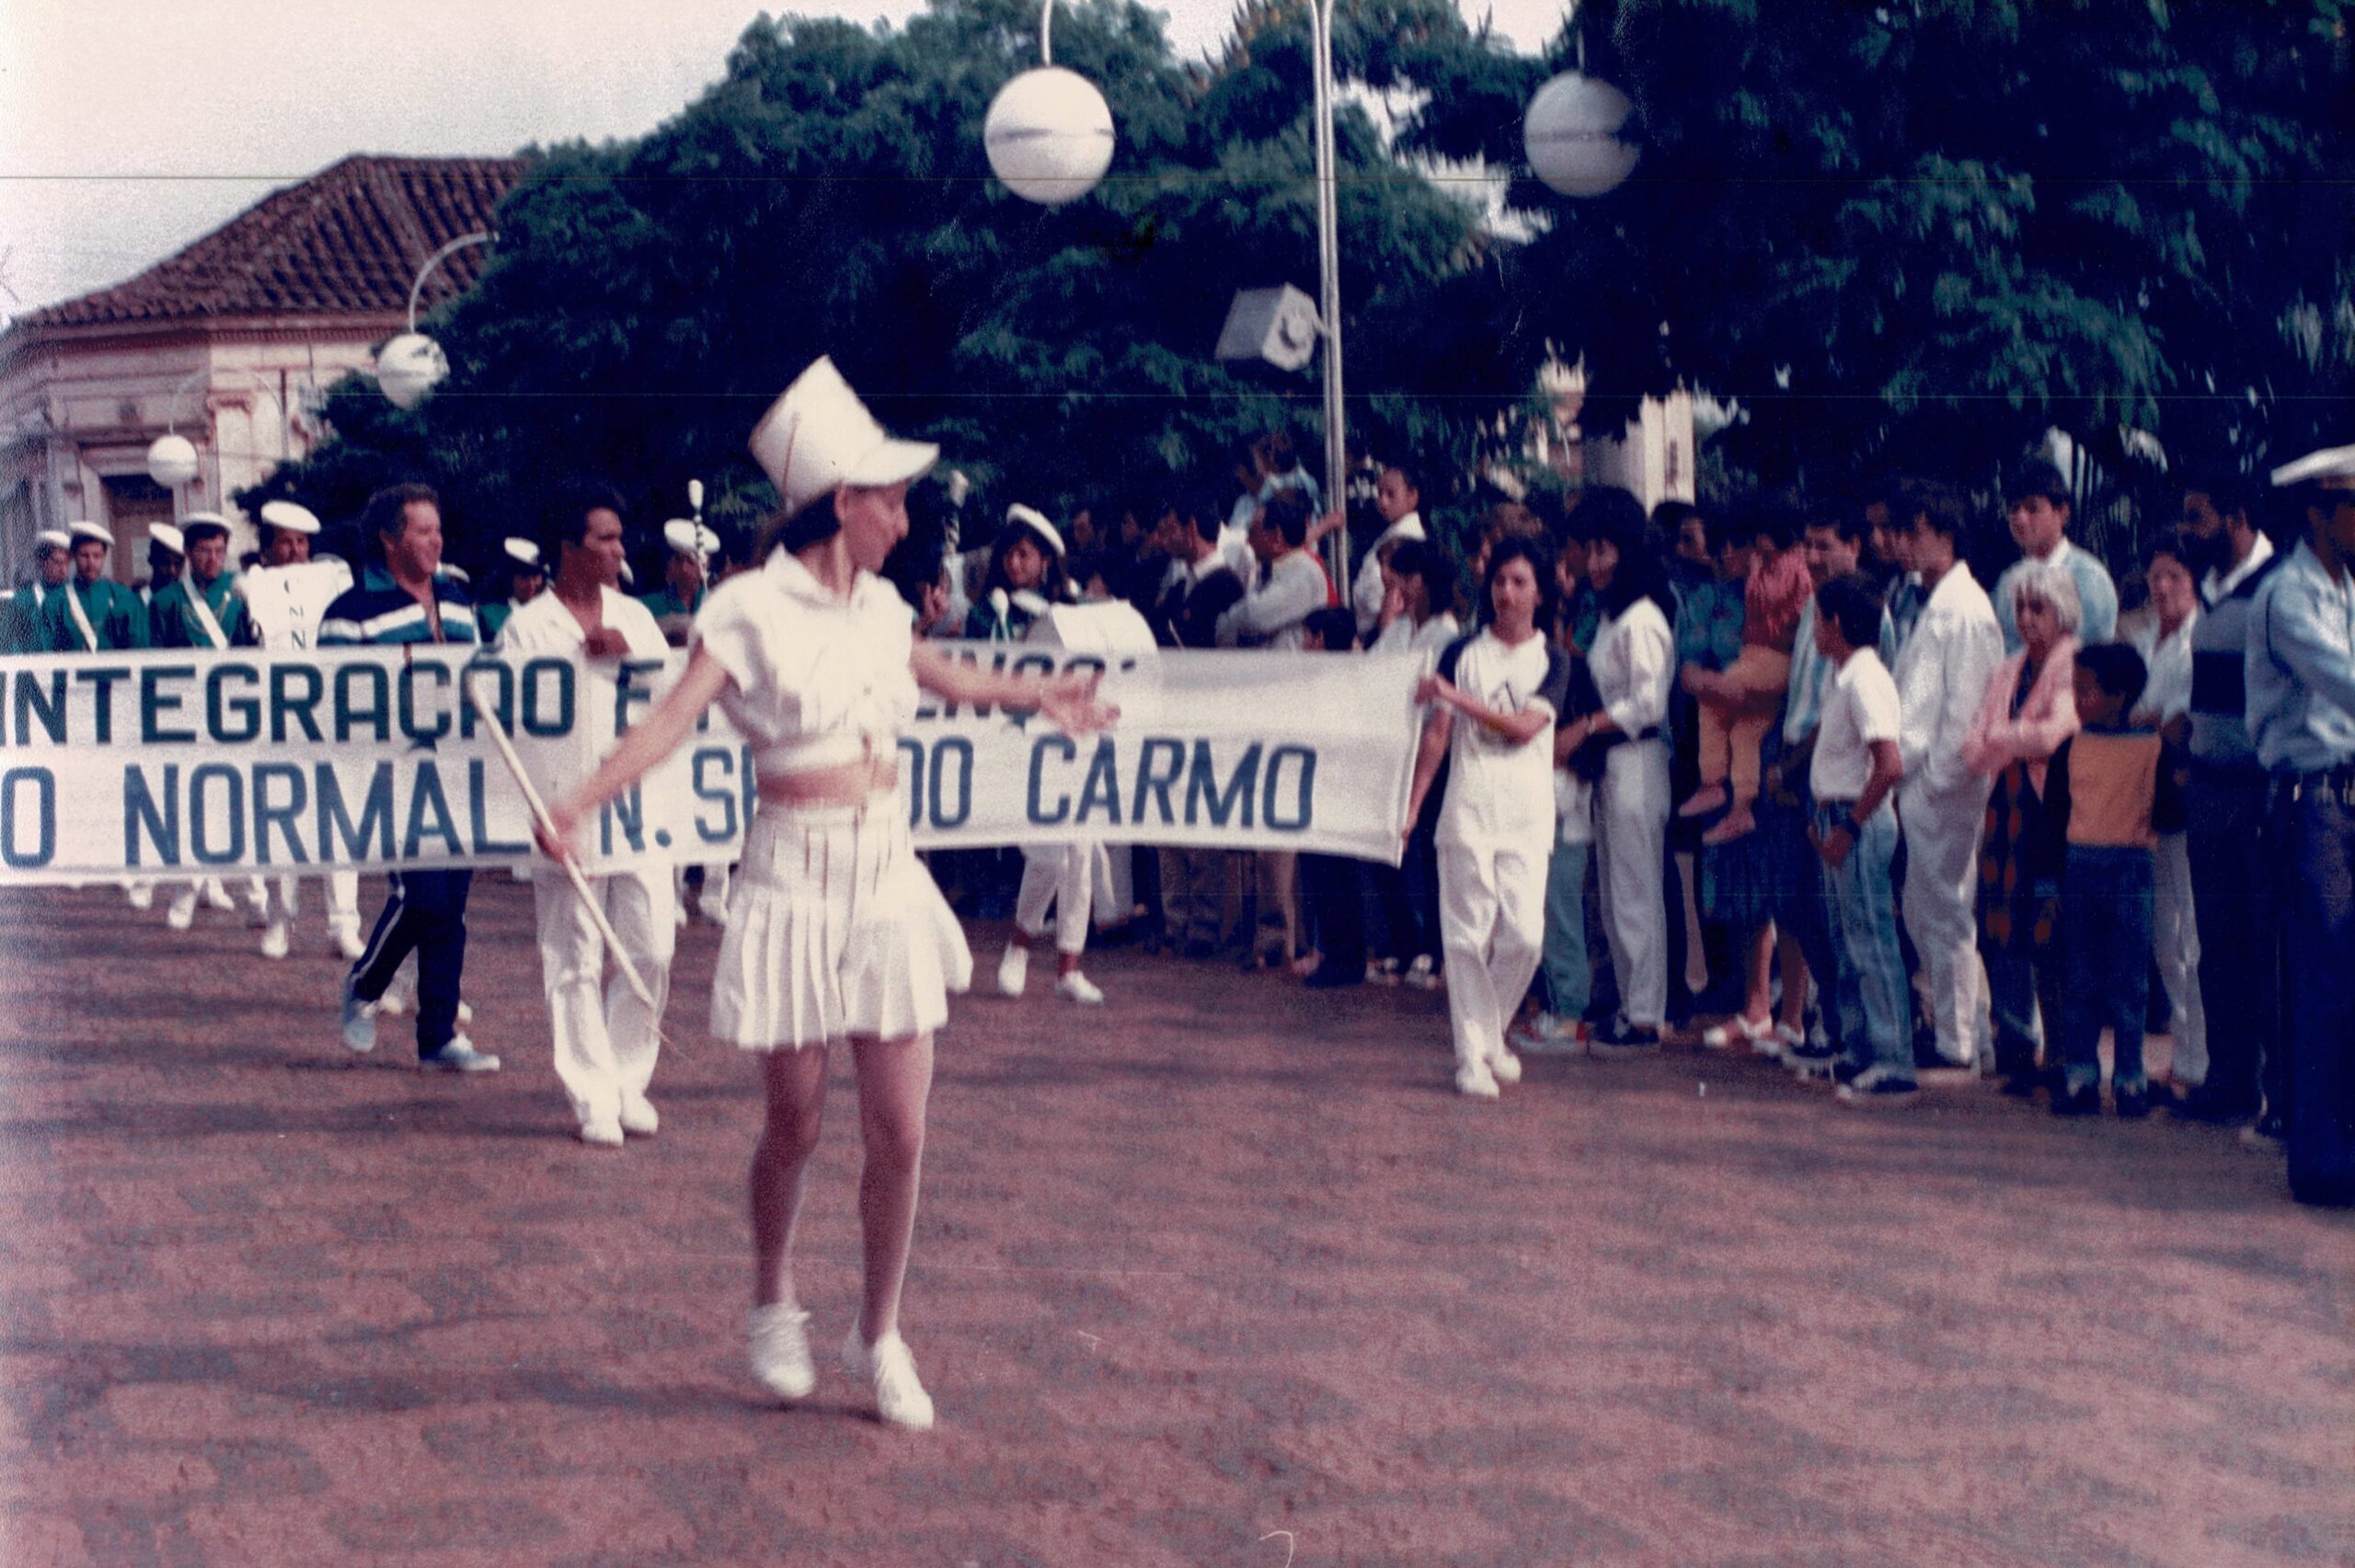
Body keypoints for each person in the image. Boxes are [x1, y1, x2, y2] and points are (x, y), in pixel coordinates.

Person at [539, 356, 1110, 1428]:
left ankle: (879, 1333)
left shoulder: (885, 608)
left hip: (886, 874)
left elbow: (950, 675)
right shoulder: (748, 607)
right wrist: (580, 800)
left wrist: (1041, 696)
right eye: (891, 501)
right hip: (791, 877)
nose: (905, 520)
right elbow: (670, 720)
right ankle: (772, 1299)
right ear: (842, 503)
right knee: (794, 1122)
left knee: (901, 1130)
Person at [500, 483, 677, 1146]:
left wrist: (628, 654)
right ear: (569, 547)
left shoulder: (636, 617)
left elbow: (675, 700)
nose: (618, 550)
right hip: (564, 814)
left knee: (651, 947)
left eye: (619, 538)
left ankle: (629, 1078)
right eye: (604, 538)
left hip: (639, 811)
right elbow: (508, 725)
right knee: (573, 955)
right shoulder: (527, 627)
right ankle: (592, 1093)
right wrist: (535, 814)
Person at [322, 483, 500, 1075]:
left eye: (438, 529)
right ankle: (365, 984)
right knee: (422, 898)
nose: (436, 540)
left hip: (457, 772)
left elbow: (482, 678)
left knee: (451, 906)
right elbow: (330, 700)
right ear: (389, 539)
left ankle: (438, 1036)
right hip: (392, 777)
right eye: (423, 530)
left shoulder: (457, 601)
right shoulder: (350, 614)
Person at [1405, 536, 1571, 1097]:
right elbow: (1437, 735)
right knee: (1466, 938)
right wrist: (1413, 806)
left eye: (1520, 582)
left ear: (1540, 592)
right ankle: (1471, 1058)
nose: (1507, 592)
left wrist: (1456, 697)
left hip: (1526, 815)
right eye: (1499, 580)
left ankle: (1487, 1035)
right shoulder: (1461, 652)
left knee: (1525, 937)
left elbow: (1525, 727)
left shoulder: (1554, 660)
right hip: (1468, 808)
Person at [2246, 442, 2355, 1206]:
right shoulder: (2289, 596)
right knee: (2326, 977)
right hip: (2312, 801)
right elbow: (2345, 682)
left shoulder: (2344, 591)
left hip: (2342, 797)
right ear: (2320, 513)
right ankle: (2321, 1160)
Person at [2175, 475, 2282, 1127]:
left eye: (2198, 516)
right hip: (2209, 785)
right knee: (2217, 941)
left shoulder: (2277, 588)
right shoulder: (2210, 592)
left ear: (2236, 516)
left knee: (2268, 943)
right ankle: (2228, 1078)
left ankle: (2278, 1092)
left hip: (2258, 787)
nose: (2187, 531)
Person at [1890, 480, 2006, 1074]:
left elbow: (1965, 709)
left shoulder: (1966, 609)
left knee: (1947, 911)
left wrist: (1934, 782)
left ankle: (1956, 1042)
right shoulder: (1933, 603)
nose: (1906, 544)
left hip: (1945, 785)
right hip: (1920, 785)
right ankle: (1962, 1031)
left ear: (1947, 535)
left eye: (1917, 533)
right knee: (1924, 911)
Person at [1560, 489, 1676, 1051]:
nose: (1595, 563)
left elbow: (1647, 704)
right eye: (1591, 551)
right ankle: (1631, 1006)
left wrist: (1587, 727)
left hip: (1636, 759)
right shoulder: (1613, 617)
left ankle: (1646, 1013)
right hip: (1611, 764)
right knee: (1613, 895)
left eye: (1604, 551)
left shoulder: (1643, 619)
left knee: (1636, 893)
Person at [2043, 644, 2180, 1117]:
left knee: (2129, 980)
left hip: (2130, 868)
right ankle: (2081, 1076)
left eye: (2088, 690)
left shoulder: (2152, 748)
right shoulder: (2070, 748)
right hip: (2080, 868)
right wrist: (2048, 882)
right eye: (2076, 689)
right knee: (2080, 977)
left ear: (2119, 696)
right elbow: (2054, 818)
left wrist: (2177, 769)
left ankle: (2129, 1079)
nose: (2079, 700)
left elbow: (2168, 814)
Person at [1964, 560, 2083, 1096]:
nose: (2027, 618)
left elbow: (2053, 736)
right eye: (2020, 608)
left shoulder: (2072, 662)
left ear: (2063, 612)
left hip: (2049, 812)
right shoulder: (2010, 668)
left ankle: (2061, 1054)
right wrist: (2014, 738)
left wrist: (2003, 737)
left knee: (2049, 934)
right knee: (2002, 929)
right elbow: (1972, 748)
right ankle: (2018, 1045)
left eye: (2039, 608)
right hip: (2004, 808)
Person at [1805, 576, 1914, 1107]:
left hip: (1859, 823)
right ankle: (1860, 1048)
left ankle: (1893, 1061)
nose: (1813, 629)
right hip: (1839, 817)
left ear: (1836, 623)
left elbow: (1889, 764)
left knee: (1871, 942)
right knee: (1848, 943)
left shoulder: (1866, 678)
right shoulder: (1844, 676)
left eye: (1817, 618)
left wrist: (1849, 826)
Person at [2121, 534, 2207, 1104]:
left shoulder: (2199, 641)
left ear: (2194, 581)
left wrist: (2149, 722)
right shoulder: (2147, 641)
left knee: (2189, 932)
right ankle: (2184, 1051)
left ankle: (2200, 1060)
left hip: (2184, 794)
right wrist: (2148, 721)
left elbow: (2178, 724)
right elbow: (2136, 714)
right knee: (2163, 934)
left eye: (2174, 575)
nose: (2162, 586)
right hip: (2144, 795)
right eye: (2155, 575)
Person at [1682, 504, 1811, 845]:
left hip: (1784, 747)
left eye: (1739, 545)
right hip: (1730, 737)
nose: (1728, 554)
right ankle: (1733, 803)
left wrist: (1744, 695)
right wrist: (1706, 683)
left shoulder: (1786, 576)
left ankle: (1720, 788)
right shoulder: (1710, 598)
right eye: (1722, 545)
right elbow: (1689, 668)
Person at [1993, 461, 2118, 652]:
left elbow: (2094, 656)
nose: (2021, 518)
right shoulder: (2007, 583)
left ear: (2062, 512)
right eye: (2014, 508)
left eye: (2032, 508)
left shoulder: (2090, 579)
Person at [1351, 463, 1427, 640]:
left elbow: (1385, 594)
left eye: (1391, 494)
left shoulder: (1409, 539)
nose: (1383, 502)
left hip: (1386, 630)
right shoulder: (1390, 534)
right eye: (1380, 493)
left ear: (1412, 497)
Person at [45, 521, 147, 650]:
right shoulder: (56, 601)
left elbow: (138, 648)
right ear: (73, 556)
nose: (91, 562)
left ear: (104, 556)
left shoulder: (122, 597)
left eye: (97, 556)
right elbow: (46, 651)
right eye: (84, 556)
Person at [638, 518, 715, 647]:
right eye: (678, 560)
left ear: (705, 565)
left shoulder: (715, 602)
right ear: (670, 564)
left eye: (690, 562)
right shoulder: (645, 605)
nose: (684, 568)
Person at [3, 529, 73, 653]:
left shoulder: (75, 599)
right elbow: (7, 642)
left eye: (66, 563)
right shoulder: (22, 601)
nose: (63, 569)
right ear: (41, 562)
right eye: (57, 562)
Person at [475, 537, 546, 641]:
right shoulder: (490, 614)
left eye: (535, 577)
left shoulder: (547, 613)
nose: (531, 585)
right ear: (509, 577)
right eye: (524, 577)